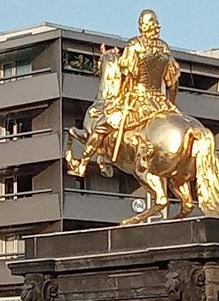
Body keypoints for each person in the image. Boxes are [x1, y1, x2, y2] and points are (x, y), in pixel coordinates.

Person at [67, 9, 180, 177]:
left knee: (100, 127)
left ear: (142, 26)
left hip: (138, 102)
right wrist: (171, 103)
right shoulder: (165, 49)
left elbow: (126, 74)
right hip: (161, 104)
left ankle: (82, 164)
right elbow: (173, 82)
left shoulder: (135, 45)